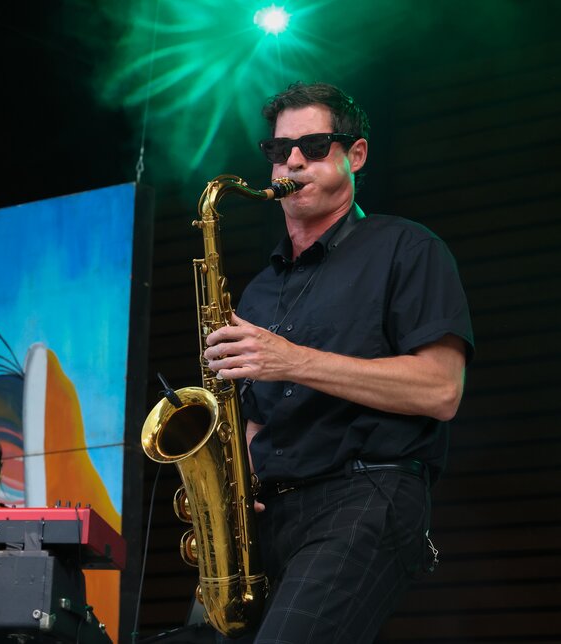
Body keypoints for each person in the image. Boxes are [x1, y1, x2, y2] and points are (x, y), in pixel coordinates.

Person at [203, 81, 474, 643]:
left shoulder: (407, 248)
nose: (293, 160)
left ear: (356, 155)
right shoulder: (254, 293)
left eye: (315, 145)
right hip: (269, 515)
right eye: (280, 151)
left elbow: (441, 390)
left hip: (366, 495)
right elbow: (253, 414)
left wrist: (293, 360)